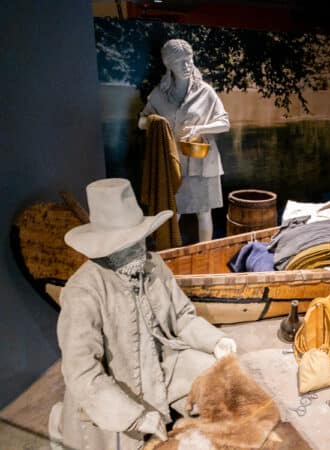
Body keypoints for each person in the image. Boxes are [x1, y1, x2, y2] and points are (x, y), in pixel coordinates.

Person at [49, 178, 237, 450]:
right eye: (128, 242)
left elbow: (182, 316)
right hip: (118, 382)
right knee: (122, 438)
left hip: (163, 366)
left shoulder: (152, 264)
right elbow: (83, 373)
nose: (140, 248)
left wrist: (216, 342)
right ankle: (68, 423)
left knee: (220, 374)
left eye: (140, 237)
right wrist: (136, 417)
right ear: (108, 245)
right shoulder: (82, 291)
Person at [139, 38, 230, 242]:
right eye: (181, 62)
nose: (188, 66)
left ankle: (205, 256)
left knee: (204, 212)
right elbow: (141, 122)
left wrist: (200, 128)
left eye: (190, 60)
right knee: (174, 211)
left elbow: (225, 122)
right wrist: (156, 122)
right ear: (168, 64)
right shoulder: (159, 95)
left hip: (203, 161)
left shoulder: (205, 91)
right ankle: (171, 254)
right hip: (173, 163)